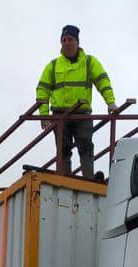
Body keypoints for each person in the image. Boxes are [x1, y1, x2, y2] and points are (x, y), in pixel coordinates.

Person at [36, 25, 117, 179]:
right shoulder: (53, 65)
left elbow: (102, 81)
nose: (66, 43)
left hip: (82, 114)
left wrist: (110, 102)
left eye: (70, 39)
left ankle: (88, 180)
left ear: (77, 42)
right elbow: (42, 90)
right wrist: (44, 114)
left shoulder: (89, 62)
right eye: (63, 40)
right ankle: (65, 181)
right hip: (60, 116)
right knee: (63, 150)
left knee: (85, 147)